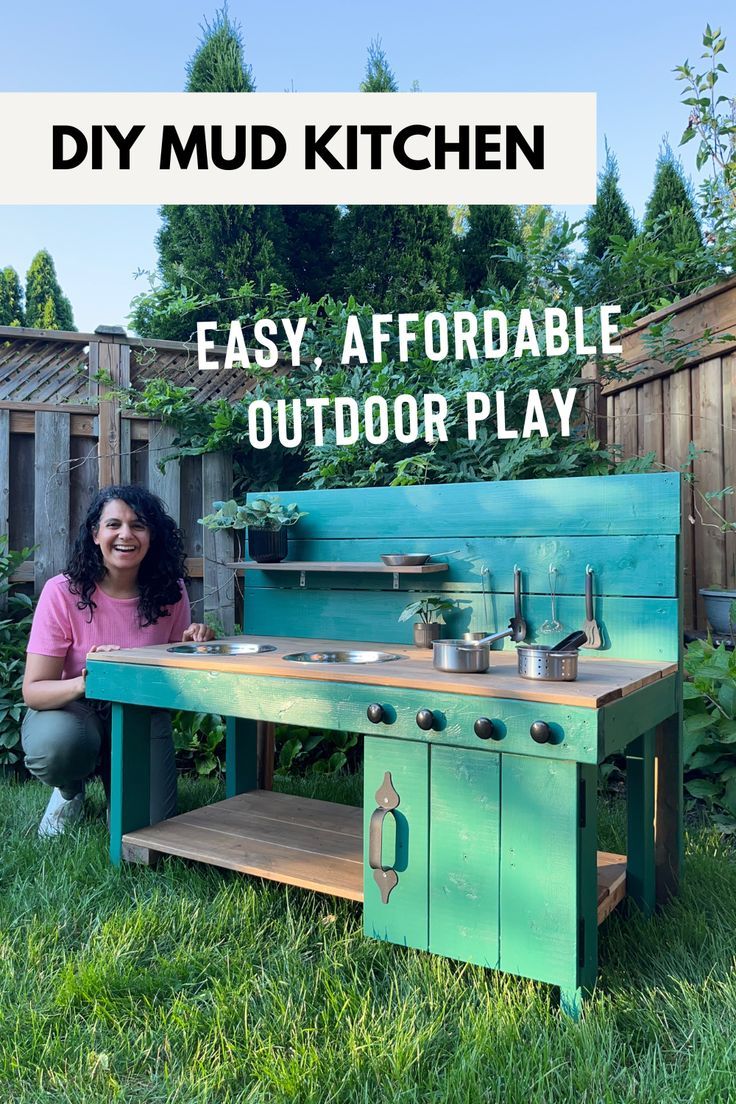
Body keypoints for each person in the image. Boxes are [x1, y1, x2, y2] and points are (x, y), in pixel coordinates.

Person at [22, 484, 215, 837]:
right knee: (58, 746)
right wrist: (90, 678)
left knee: (147, 829)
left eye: (138, 525)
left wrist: (192, 644)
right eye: (114, 525)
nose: (126, 534)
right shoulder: (62, 592)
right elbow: (34, 691)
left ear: (152, 536)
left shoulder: (170, 591)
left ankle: (121, 790)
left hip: (140, 713)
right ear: (95, 534)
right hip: (75, 710)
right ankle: (69, 791)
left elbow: (174, 678)